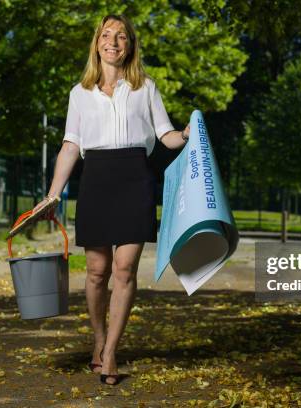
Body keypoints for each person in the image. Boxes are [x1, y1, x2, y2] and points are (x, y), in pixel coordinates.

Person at [32, 14, 190, 386]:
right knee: (96, 271)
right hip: (97, 179)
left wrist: (188, 133)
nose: (113, 42)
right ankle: (99, 339)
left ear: (130, 45)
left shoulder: (146, 87)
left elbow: (166, 136)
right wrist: (54, 193)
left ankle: (112, 352)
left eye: (121, 36)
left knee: (124, 270)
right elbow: (71, 144)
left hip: (136, 179)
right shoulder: (79, 93)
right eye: (107, 35)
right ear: (97, 43)